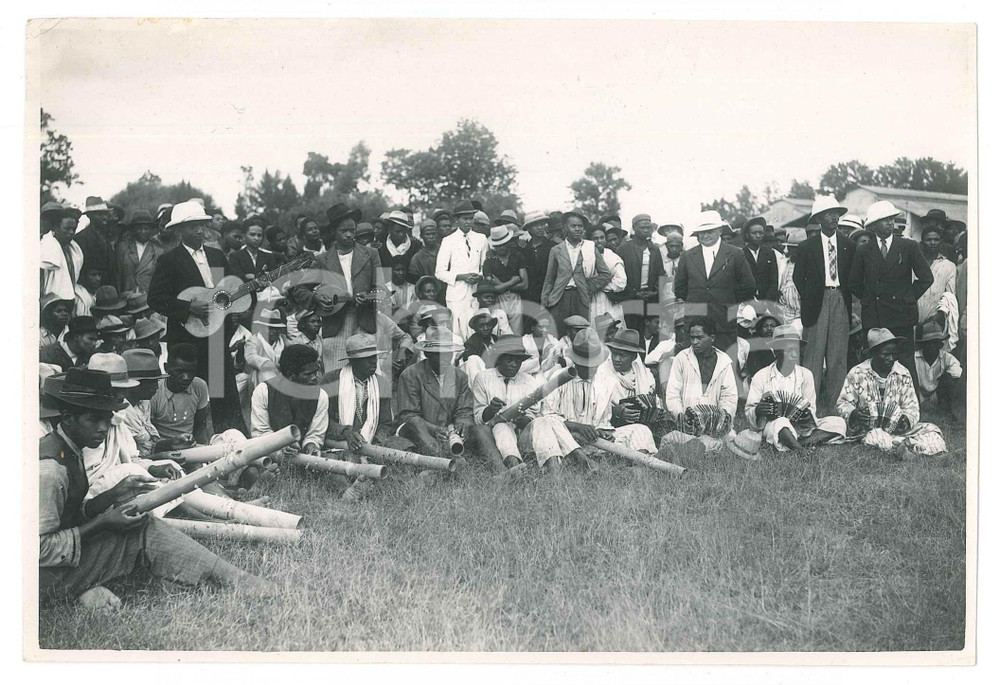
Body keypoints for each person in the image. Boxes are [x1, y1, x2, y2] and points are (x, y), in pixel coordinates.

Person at [38, 367, 275, 612]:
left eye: (106, 419)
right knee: (143, 529)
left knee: (140, 524)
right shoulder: (50, 470)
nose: (103, 428)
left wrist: (112, 495)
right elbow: (38, 550)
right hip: (40, 579)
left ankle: (210, 579)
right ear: (67, 418)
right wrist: (104, 522)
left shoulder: (70, 448)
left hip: (58, 564)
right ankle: (235, 581)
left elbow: (71, 515)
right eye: (93, 419)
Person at [147, 199, 248, 434]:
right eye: (193, 226)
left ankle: (234, 443)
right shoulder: (169, 260)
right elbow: (156, 298)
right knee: (188, 392)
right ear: (180, 229)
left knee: (223, 394)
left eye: (203, 225)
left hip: (216, 338)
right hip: (186, 339)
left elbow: (229, 291)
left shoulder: (216, 256)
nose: (200, 231)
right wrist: (188, 308)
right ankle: (188, 443)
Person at [472, 335, 587, 472]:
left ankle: (554, 469)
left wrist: (523, 420)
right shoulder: (483, 378)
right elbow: (479, 418)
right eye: (509, 360)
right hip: (495, 438)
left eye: (518, 360)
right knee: (502, 426)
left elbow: (533, 415)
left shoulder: (528, 380)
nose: (514, 364)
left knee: (542, 421)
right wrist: (490, 409)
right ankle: (515, 467)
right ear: (499, 359)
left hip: (523, 438)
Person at [848, 201, 933, 383]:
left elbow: (926, 278)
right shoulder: (864, 250)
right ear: (873, 225)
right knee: (873, 363)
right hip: (875, 317)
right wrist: (870, 298)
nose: (890, 223)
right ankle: (871, 405)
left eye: (891, 219)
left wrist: (907, 298)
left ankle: (911, 407)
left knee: (904, 362)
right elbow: (854, 283)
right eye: (884, 220)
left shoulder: (908, 246)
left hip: (901, 315)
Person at [790, 196, 857, 413]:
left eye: (837, 213)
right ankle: (809, 405)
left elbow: (852, 278)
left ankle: (836, 406)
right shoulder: (806, 247)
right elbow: (799, 278)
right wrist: (812, 296)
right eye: (829, 213)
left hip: (840, 299)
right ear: (819, 218)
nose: (834, 217)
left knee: (838, 356)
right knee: (813, 355)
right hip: (816, 301)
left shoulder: (849, 245)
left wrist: (839, 296)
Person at [835, 328, 947, 456]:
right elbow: (843, 403)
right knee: (877, 437)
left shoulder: (903, 373)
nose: (891, 358)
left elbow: (912, 407)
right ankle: (910, 448)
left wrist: (906, 420)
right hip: (868, 429)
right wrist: (854, 414)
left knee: (932, 430)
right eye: (885, 354)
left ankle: (906, 447)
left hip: (898, 430)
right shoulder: (857, 372)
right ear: (874, 353)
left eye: (894, 354)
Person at [673, 210, 757, 366]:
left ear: (720, 230)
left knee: (725, 366)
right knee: (694, 367)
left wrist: (728, 303)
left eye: (710, 231)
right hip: (695, 324)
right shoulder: (687, 256)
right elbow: (680, 289)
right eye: (701, 232)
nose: (705, 235)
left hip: (724, 322)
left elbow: (749, 286)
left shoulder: (735, 254)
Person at [744, 325, 847, 452]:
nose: (794, 354)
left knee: (838, 423)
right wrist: (758, 410)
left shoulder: (806, 375)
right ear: (776, 351)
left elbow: (811, 408)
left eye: (796, 349)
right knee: (781, 422)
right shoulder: (761, 376)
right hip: (774, 425)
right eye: (788, 349)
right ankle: (801, 450)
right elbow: (749, 411)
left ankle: (796, 443)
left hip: (800, 428)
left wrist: (806, 415)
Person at [396, 330, 491, 461]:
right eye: (438, 355)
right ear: (427, 353)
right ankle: (445, 462)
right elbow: (408, 416)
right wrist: (434, 430)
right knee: (415, 423)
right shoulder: (411, 375)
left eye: (448, 354)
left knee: (481, 430)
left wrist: (462, 424)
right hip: (420, 433)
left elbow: (464, 411)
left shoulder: (460, 376)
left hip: (450, 433)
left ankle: (502, 471)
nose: (445, 359)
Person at [320, 334, 394, 501]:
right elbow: (321, 421)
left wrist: (376, 444)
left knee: (399, 453)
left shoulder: (381, 383)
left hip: (371, 443)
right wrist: (346, 433)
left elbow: (386, 423)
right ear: (353, 361)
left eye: (374, 357)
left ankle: (365, 481)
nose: (373, 362)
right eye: (367, 359)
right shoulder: (331, 380)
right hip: (339, 444)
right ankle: (350, 491)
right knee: (331, 464)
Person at [313, 203, 383, 372]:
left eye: (352, 230)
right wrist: (316, 298)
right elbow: (300, 289)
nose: (349, 235)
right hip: (335, 323)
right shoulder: (323, 259)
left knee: (368, 371)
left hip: (364, 320)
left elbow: (382, 288)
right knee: (335, 375)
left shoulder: (370, 254)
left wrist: (367, 297)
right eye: (343, 231)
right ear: (333, 232)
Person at [661, 317, 739, 456]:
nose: (694, 342)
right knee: (680, 443)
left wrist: (722, 419)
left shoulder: (724, 362)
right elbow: (672, 394)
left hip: (716, 427)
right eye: (692, 338)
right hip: (687, 426)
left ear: (712, 338)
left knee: (733, 446)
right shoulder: (682, 358)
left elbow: (729, 396)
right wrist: (680, 415)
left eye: (699, 338)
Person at [541, 210, 613, 338]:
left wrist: (588, 286)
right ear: (565, 228)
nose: (577, 229)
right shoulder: (556, 250)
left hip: (581, 297)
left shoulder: (590, 248)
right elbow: (549, 279)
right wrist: (545, 300)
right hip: (559, 297)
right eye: (573, 226)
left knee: (580, 335)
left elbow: (606, 274)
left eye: (580, 226)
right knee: (557, 333)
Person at [250, 344, 329, 458]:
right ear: (291, 375)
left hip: (303, 458)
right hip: (269, 454)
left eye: (315, 372)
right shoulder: (263, 391)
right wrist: (280, 444)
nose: (315, 378)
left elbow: (315, 433)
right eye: (308, 374)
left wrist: (311, 444)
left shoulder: (321, 396)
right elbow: (260, 432)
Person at [589, 328, 661, 448]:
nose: (617, 359)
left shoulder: (642, 373)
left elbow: (652, 399)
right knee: (641, 433)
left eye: (622, 355)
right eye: (615, 353)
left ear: (633, 357)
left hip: (639, 427)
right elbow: (593, 412)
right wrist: (616, 413)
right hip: (610, 431)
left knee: (645, 432)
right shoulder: (601, 373)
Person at [435, 199, 487, 339]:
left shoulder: (481, 239)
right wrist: (461, 277)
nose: (468, 222)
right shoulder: (448, 241)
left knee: (476, 330)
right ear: (457, 220)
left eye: (471, 218)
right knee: (457, 334)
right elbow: (439, 272)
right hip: (456, 295)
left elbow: (485, 267)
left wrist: (480, 276)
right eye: (465, 219)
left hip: (475, 294)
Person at [149, 342, 211, 445]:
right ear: (166, 368)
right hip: (161, 448)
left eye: (191, 372)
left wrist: (204, 447)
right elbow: (149, 434)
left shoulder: (199, 386)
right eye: (180, 371)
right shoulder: (155, 392)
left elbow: (200, 425)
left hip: (189, 447)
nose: (186, 377)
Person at [615, 214, 665, 332]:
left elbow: (661, 274)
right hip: (631, 298)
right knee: (632, 330)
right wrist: (634, 293)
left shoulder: (655, 249)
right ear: (634, 228)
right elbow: (618, 276)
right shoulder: (623, 249)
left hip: (651, 299)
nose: (646, 230)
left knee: (652, 330)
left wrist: (654, 292)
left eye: (648, 228)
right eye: (642, 228)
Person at [483, 224, 528, 334]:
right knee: (500, 331)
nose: (500, 248)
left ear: (508, 242)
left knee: (517, 332)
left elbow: (525, 285)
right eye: (497, 245)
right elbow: (492, 288)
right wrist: (512, 281)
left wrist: (500, 284)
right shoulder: (489, 260)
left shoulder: (517, 256)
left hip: (515, 299)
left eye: (502, 244)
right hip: (497, 299)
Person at [913, 321, 963, 418]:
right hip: (918, 397)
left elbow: (958, 377)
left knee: (949, 378)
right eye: (929, 343)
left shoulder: (947, 358)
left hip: (938, 397)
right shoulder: (914, 358)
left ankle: (949, 411)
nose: (932, 347)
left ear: (940, 345)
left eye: (935, 343)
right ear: (923, 344)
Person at [40, 204, 84, 306]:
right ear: (56, 228)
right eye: (67, 229)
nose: (71, 232)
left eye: (74, 229)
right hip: (50, 299)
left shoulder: (74, 249)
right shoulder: (47, 247)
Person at [916, 224, 957, 329]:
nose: (933, 243)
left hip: (935, 323)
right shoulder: (913, 263)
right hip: (912, 320)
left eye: (936, 239)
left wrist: (939, 316)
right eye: (928, 240)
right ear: (922, 242)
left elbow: (949, 296)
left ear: (941, 242)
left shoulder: (949, 266)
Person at [73, 196, 119, 289]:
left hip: (108, 290)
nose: (104, 217)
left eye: (105, 214)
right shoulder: (81, 238)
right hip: (89, 290)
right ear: (89, 216)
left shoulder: (105, 237)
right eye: (99, 214)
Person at [115, 210, 162, 294]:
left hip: (148, 298)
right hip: (127, 297)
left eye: (146, 228)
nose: (143, 231)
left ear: (151, 230)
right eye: (139, 228)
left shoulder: (158, 251)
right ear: (133, 229)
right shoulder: (123, 248)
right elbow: (117, 276)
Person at [588, 223, 626, 326]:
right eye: (595, 238)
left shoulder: (613, 257)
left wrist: (599, 286)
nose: (599, 241)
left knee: (612, 329)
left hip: (609, 300)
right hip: (591, 300)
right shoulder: (586, 256)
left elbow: (621, 282)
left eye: (601, 237)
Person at [244, 308, 286, 391]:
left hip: (282, 375)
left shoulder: (283, 340)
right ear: (261, 327)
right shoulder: (254, 340)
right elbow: (251, 357)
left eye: (277, 329)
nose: (274, 331)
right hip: (260, 377)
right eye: (270, 328)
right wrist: (272, 365)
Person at [741, 216, 780, 304]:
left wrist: (766, 301)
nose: (758, 236)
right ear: (747, 235)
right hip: (747, 303)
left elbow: (774, 280)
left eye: (761, 233)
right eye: (754, 233)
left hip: (767, 303)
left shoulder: (770, 254)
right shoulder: (740, 254)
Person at [407, 219, 444, 292]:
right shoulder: (417, 258)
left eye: (433, 233)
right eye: (427, 234)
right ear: (421, 236)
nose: (431, 237)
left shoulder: (445, 251)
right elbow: (414, 281)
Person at [520, 313, 561, 378]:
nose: (545, 330)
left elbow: (557, 363)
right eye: (540, 327)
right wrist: (540, 359)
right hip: (528, 377)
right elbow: (520, 367)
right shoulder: (523, 342)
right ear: (532, 327)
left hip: (548, 377)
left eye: (547, 327)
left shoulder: (553, 341)